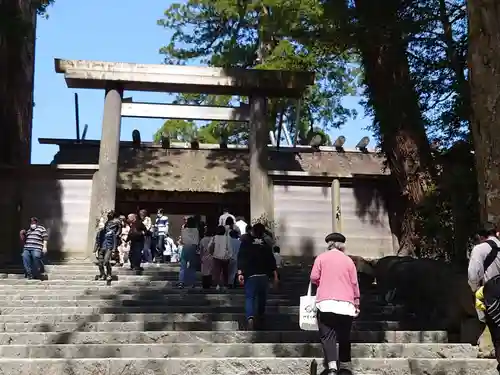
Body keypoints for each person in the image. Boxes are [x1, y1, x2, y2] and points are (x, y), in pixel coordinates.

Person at [310, 232, 360, 375]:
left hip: (326, 303)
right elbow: (354, 283)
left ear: (329, 244)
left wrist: (322, 282)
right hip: (346, 305)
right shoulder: (349, 261)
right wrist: (356, 302)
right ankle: (345, 367)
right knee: (344, 335)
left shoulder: (321, 258)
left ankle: (332, 367)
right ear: (342, 245)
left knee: (327, 336)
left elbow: (314, 277)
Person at [468, 223, 500, 373]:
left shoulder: (479, 249)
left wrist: (476, 291)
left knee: (496, 335)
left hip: (491, 295)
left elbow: (473, 275)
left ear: (480, 237)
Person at [237, 223, 278, 330]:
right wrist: (275, 276)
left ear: (253, 231)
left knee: (250, 297)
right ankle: (260, 315)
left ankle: (250, 317)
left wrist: (240, 272)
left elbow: (241, 257)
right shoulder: (266, 244)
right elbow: (271, 261)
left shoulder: (246, 243)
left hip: (251, 275)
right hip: (264, 275)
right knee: (262, 297)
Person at [95, 210, 121, 281]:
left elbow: (119, 229)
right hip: (102, 246)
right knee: (100, 263)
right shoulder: (105, 224)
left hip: (109, 245)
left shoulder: (117, 221)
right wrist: (95, 250)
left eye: (109, 213)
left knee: (106, 261)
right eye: (107, 213)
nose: (108, 215)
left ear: (113, 214)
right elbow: (97, 240)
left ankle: (109, 274)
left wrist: (116, 234)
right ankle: (103, 274)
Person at [178, 216, 199, 288]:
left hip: (185, 247)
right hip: (193, 247)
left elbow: (182, 240)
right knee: (192, 267)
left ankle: (181, 282)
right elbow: (197, 241)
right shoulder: (196, 230)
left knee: (183, 266)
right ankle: (192, 282)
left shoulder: (184, 230)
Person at [211, 225, 232, 291]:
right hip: (225, 257)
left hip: (216, 257)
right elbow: (229, 248)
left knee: (217, 272)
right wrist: (229, 256)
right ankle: (225, 285)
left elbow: (210, 246)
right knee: (225, 271)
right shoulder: (227, 238)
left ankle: (217, 285)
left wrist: (212, 253)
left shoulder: (214, 237)